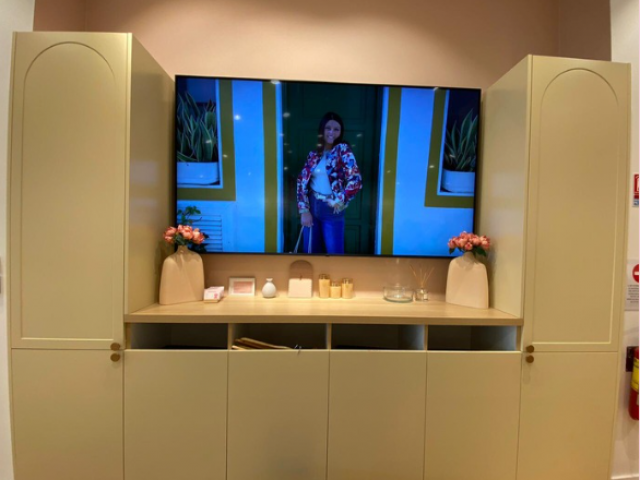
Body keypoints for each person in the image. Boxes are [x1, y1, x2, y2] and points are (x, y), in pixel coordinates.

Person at [296, 111, 362, 254]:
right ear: (322, 130)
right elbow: (301, 181)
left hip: (332, 209)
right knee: (311, 252)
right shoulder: (314, 155)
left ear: (341, 132)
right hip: (311, 206)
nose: (331, 132)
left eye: (336, 129)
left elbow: (355, 180)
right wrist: (304, 210)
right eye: (328, 128)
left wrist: (340, 200)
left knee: (334, 254)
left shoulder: (343, 151)